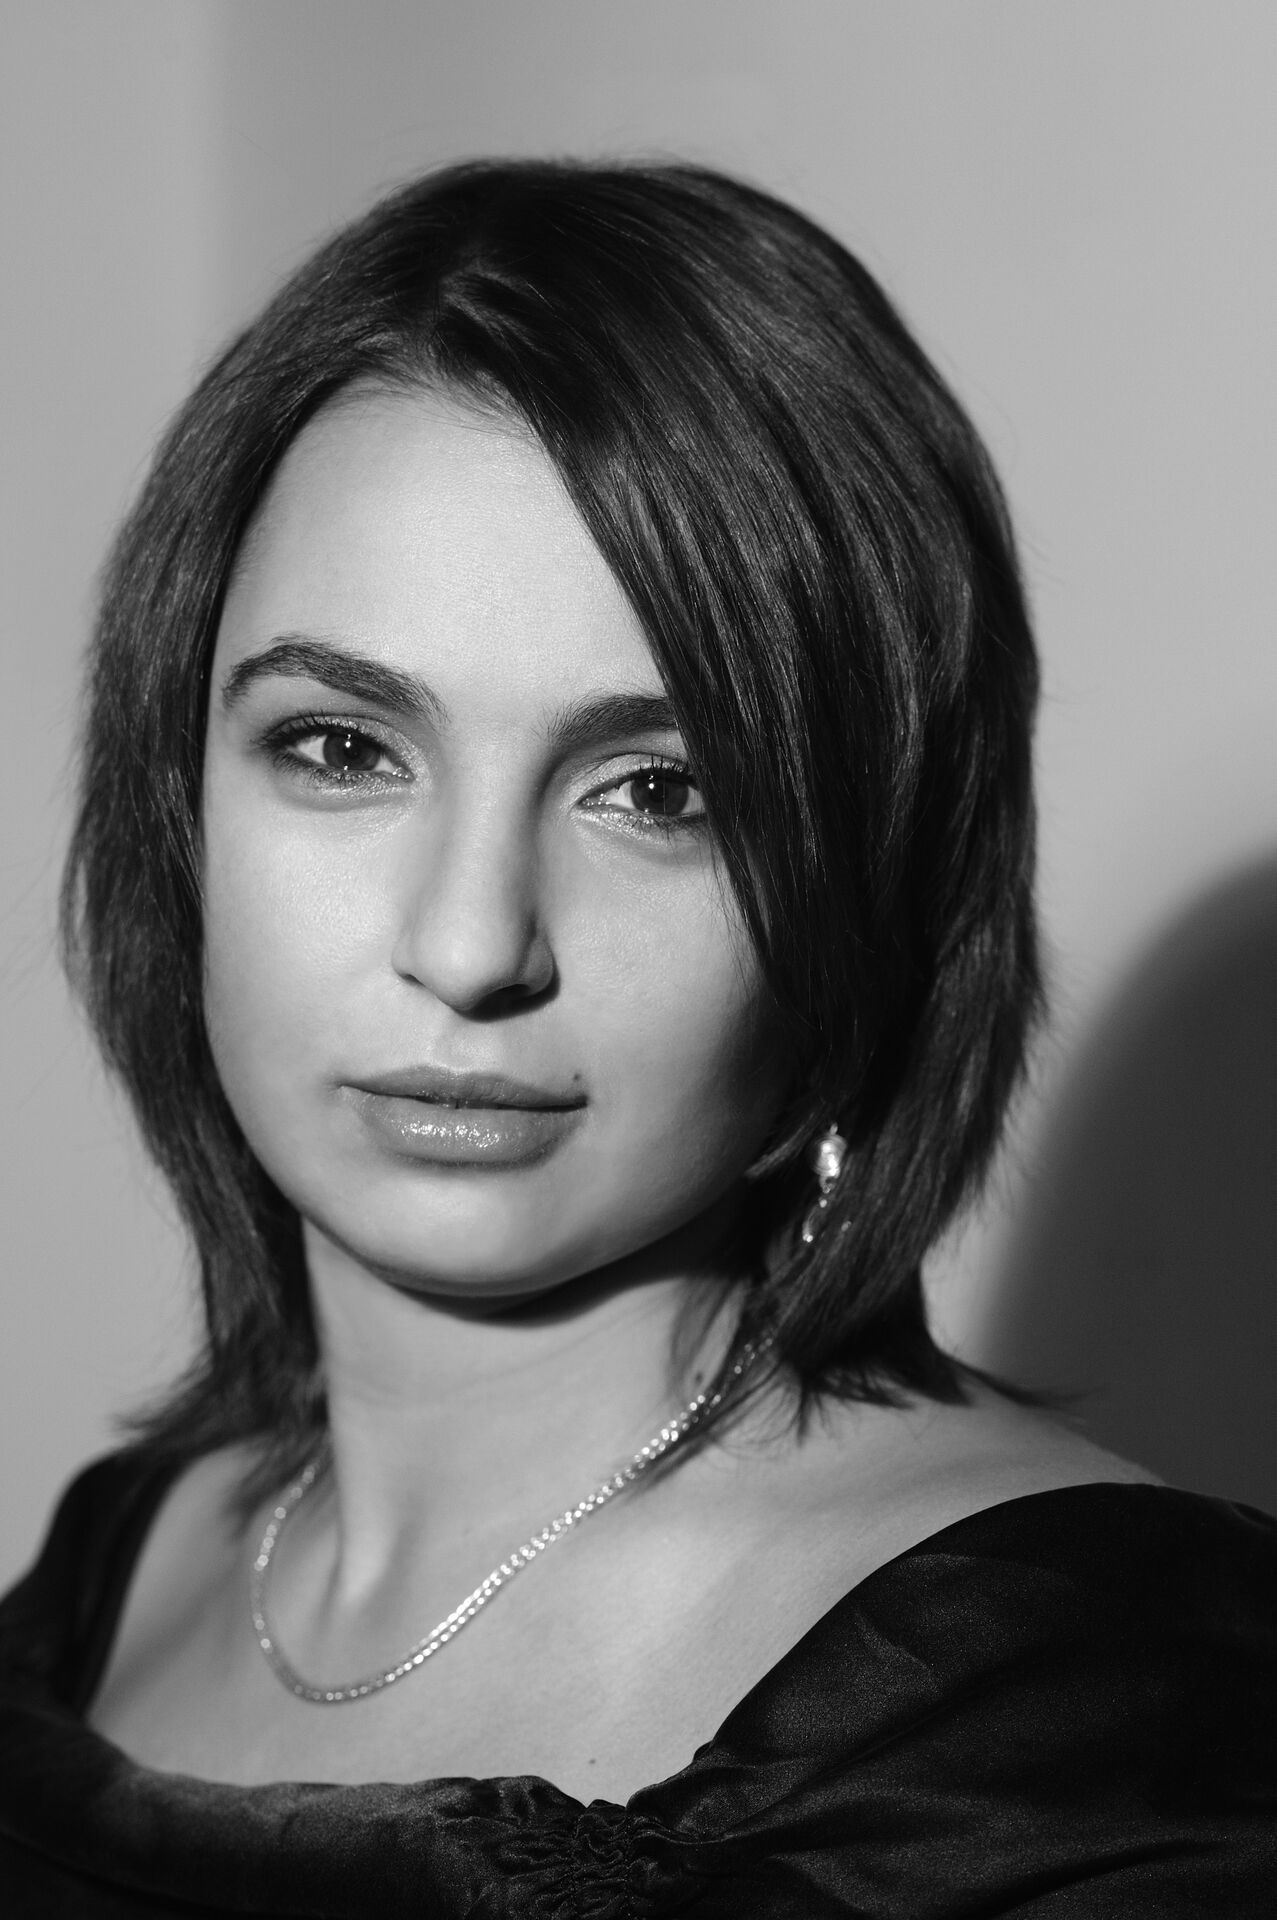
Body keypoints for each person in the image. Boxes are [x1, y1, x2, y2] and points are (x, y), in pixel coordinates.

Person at [1, 159, 1273, 1916]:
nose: (470, 945)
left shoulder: (1102, 1711)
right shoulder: (114, 1563)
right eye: (343, 749)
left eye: (659, 792)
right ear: (178, 808)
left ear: (866, 887)